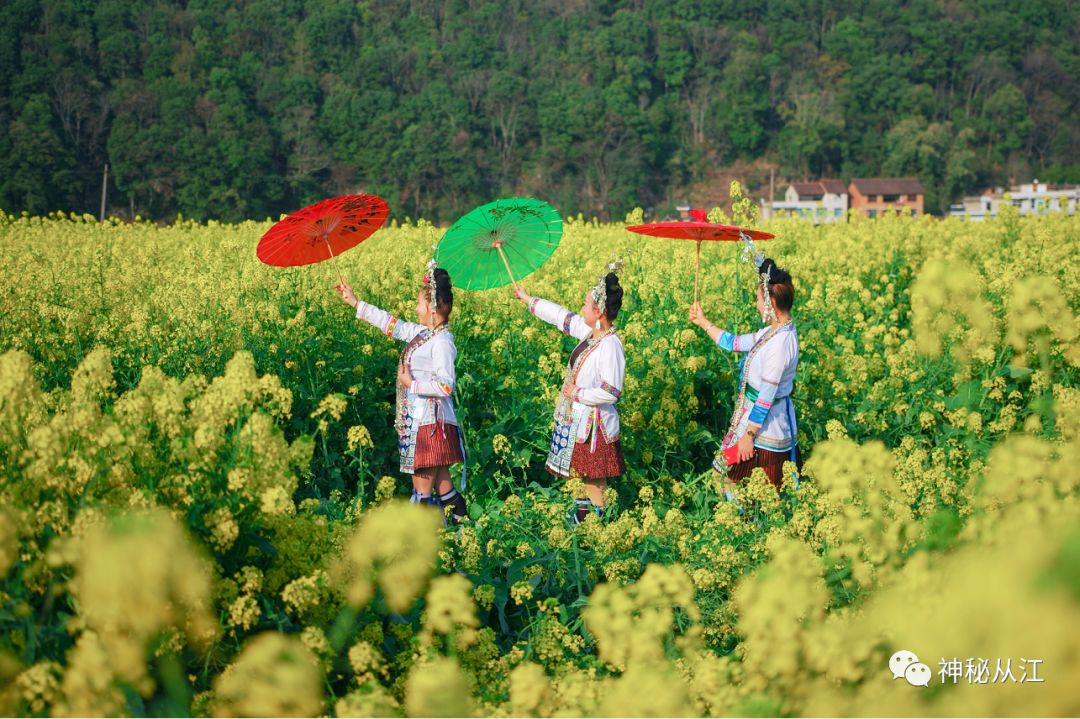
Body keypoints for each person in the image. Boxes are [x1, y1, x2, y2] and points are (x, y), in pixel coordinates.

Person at [335, 260, 468, 522]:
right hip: (419, 420)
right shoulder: (423, 333)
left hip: (429, 424)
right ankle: (463, 530)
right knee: (444, 486)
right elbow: (391, 324)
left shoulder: (442, 342)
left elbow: (446, 384)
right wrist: (354, 302)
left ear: (433, 308)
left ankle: (423, 545)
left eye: (419, 303)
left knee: (422, 492)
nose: (416, 307)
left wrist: (412, 385)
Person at [513, 261, 626, 523]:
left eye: (586, 304)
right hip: (581, 424)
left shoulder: (610, 345)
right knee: (581, 480)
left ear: (598, 311)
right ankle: (583, 531)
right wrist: (528, 299)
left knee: (595, 482)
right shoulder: (591, 334)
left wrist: (577, 393)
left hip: (596, 429)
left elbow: (611, 392)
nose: (582, 308)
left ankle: (604, 534)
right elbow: (561, 317)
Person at [689, 256, 801, 500]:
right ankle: (742, 522)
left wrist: (747, 438)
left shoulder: (780, 344)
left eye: (759, 299)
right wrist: (702, 322)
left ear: (771, 302)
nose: (756, 304)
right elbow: (734, 343)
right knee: (723, 474)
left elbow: (765, 397)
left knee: (742, 484)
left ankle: (745, 525)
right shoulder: (772, 332)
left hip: (763, 431)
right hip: (750, 422)